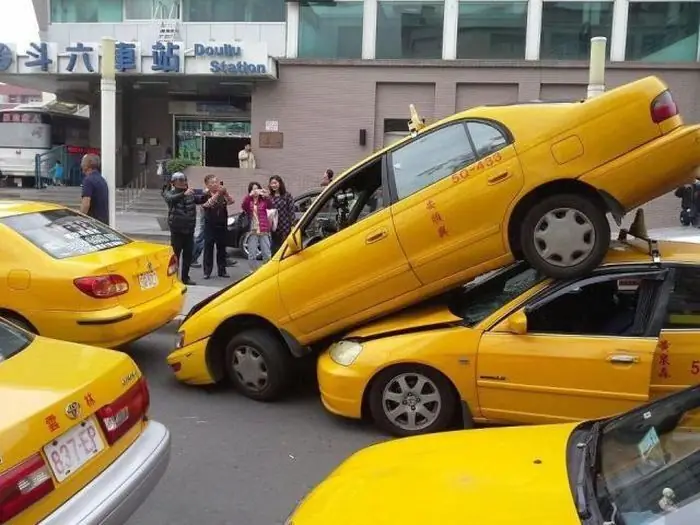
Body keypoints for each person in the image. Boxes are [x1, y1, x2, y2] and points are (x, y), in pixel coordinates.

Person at [162, 172, 206, 285]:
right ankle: (174, 278)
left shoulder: (190, 194)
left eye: (184, 180)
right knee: (175, 255)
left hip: (189, 230)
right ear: (173, 183)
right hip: (177, 230)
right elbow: (170, 199)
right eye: (180, 181)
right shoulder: (169, 193)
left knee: (188, 255)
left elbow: (200, 199)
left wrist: (208, 193)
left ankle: (185, 278)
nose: (183, 183)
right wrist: (183, 194)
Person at [201, 174, 234, 279]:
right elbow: (207, 205)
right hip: (210, 225)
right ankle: (207, 271)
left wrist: (226, 193)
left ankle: (222, 270)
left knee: (222, 248)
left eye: (216, 181)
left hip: (222, 224)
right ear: (207, 185)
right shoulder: (205, 194)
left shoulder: (222, 194)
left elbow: (231, 201)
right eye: (212, 182)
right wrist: (218, 194)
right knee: (208, 248)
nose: (215, 184)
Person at [241, 181, 272, 272]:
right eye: (253, 189)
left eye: (257, 188)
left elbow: (270, 206)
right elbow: (244, 206)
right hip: (252, 230)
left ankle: (266, 270)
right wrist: (249, 195)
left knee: (266, 253)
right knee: (252, 254)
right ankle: (253, 271)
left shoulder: (263, 200)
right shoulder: (248, 200)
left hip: (263, 229)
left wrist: (267, 196)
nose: (255, 191)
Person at [79, 153, 109, 225]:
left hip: (92, 222)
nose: (81, 164)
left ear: (88, 164)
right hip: (103, 222)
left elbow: (85, 204)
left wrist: (79, 219)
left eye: (83, 162)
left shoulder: (88, 180)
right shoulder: (102, 179)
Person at [268, 175, 295, 255]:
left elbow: (291, 211)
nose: (273, 185)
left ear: (280, 183)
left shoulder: (287, 195)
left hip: (285, 227)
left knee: (284, 250)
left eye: (275, 183)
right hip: (274, 227)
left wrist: (292, 224)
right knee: (274, 249)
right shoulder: (269, 197)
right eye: (271, 183)